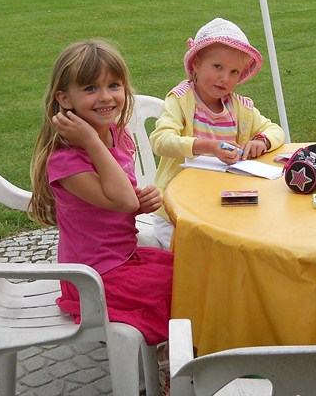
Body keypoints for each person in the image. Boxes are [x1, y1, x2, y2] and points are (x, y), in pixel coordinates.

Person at [29, 39, 173, 347]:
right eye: (91, 88)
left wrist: (141, 204)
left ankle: (183, 350)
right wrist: (92, 141)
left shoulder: (116, 135)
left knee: (196, 271)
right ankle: (175, 359)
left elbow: (119, 201)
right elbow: (122, 199)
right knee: (182, 290)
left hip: (123, 258)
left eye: (114, 85)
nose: (105, 96)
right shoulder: (66, 161)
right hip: (94, 279)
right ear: (64, 98)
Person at [149, 18, 286, 249]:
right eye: (218, 67)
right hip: (175, 210)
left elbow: (275, 130)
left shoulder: (240, 108)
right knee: (191, 257)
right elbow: (160, 141)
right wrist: (207, 146)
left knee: (244, 245)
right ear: (196, 63)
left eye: (234, 72)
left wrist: (261, 141)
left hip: (222, 205)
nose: (225, 78)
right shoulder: (181, 100)